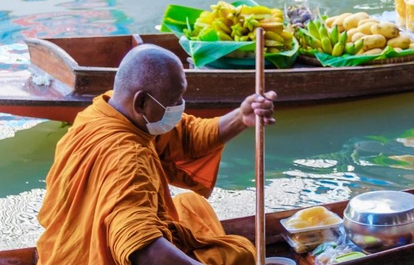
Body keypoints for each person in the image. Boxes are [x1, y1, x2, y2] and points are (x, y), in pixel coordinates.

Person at [37, 44, 277, 265]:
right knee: (241, 252)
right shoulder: (126, 157)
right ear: (141, 101)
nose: (179, 106)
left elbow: (187, 136)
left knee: (191, 204)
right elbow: (144, 249)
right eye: (174, 101)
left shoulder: (109, 111)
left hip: (68, 242)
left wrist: (241, 117)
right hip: (97, 257)